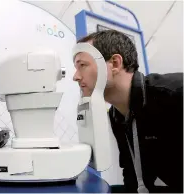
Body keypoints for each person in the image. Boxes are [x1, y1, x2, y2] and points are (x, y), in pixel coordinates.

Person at [72, 30, 183, 193]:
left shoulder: (175, 94)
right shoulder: (116, 114)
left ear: (115, 63)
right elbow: (133, 173)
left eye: (82, 65)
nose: (75, 76)